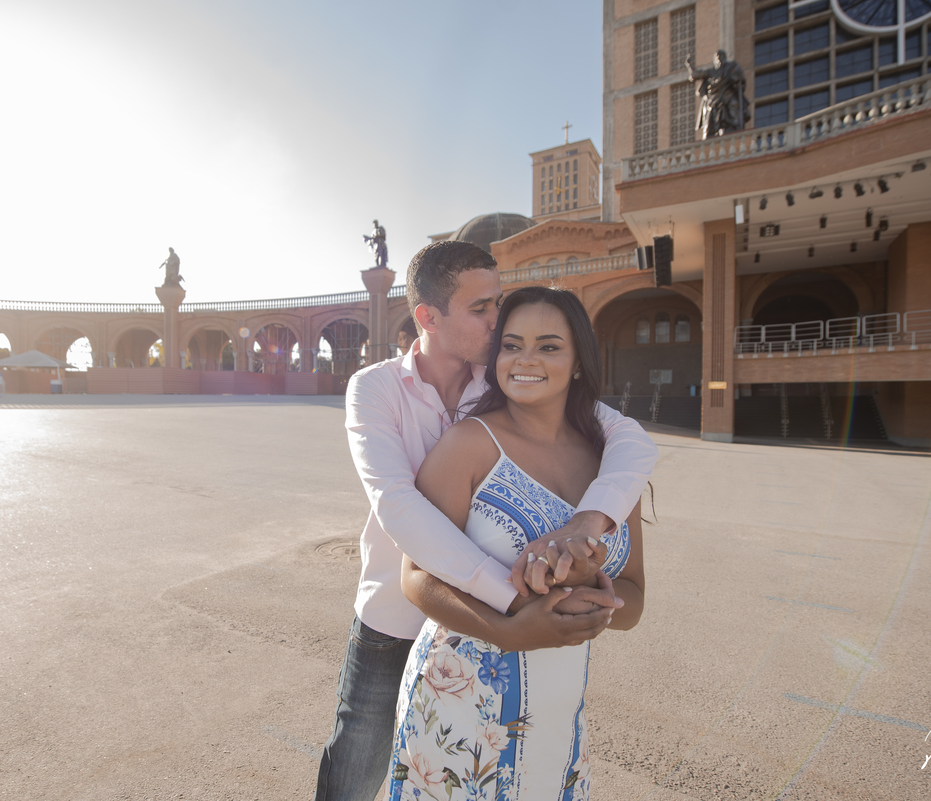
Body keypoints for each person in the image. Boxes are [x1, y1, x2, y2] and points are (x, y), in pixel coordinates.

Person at [315, 241, 657, 801]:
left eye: (498, 303)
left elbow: (629, 439)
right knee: (355, 763)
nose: (499, 323)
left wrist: (588, 522)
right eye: (482, 309)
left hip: (508, 653)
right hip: (396, 612)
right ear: (428, 317)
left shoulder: (503, 377)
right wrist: (518, 603)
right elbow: (398, 505)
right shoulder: (375, 388)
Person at [387, 286, 644, 800]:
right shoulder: (470, 444)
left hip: (558, 711)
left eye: (549, 346)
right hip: (460, 704)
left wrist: (591, 599)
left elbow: (633, 598)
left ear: (577, 363)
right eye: (511, 345)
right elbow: (415, 577)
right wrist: (510, 631)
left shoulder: (613, 465)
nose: (526, 359)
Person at [686, 50, 751, 139]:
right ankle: (708, 136)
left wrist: (737, 79)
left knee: (735, 105)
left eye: (721, 56)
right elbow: (696, 74)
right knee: (709, 117)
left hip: (727, 95)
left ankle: (737, 129)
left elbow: (739, 78)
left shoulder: (731, 67)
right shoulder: (711, 72)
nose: (719, 59)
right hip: (714, 98)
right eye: (717, 57)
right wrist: (689, 65)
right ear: (714, 61)